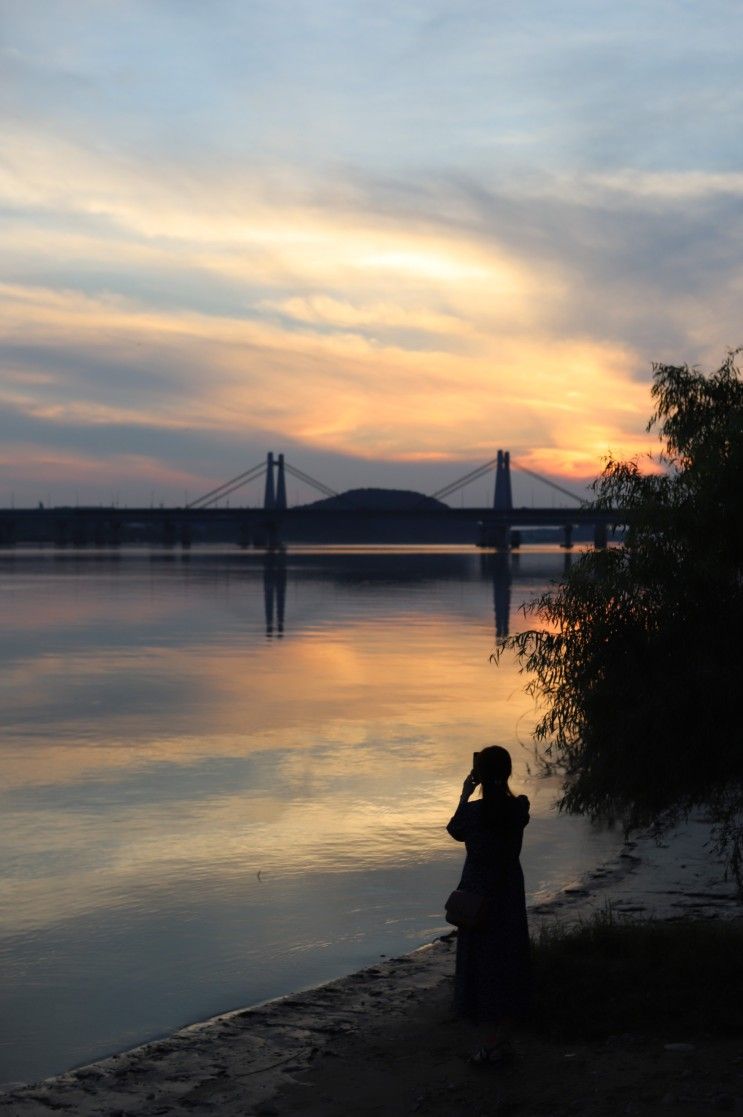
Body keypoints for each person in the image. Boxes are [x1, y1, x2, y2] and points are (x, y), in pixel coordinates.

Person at [446, 744, 531, 1065]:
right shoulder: (518, 809)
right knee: (508, 960)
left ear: (479, 774)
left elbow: (454, 830)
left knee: (481, 965)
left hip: (478, 893)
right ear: (507, 772)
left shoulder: (472, 813)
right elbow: (509, 813)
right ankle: (503, 1040)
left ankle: (489, 1045)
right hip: (508, 891)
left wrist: (466, 792)